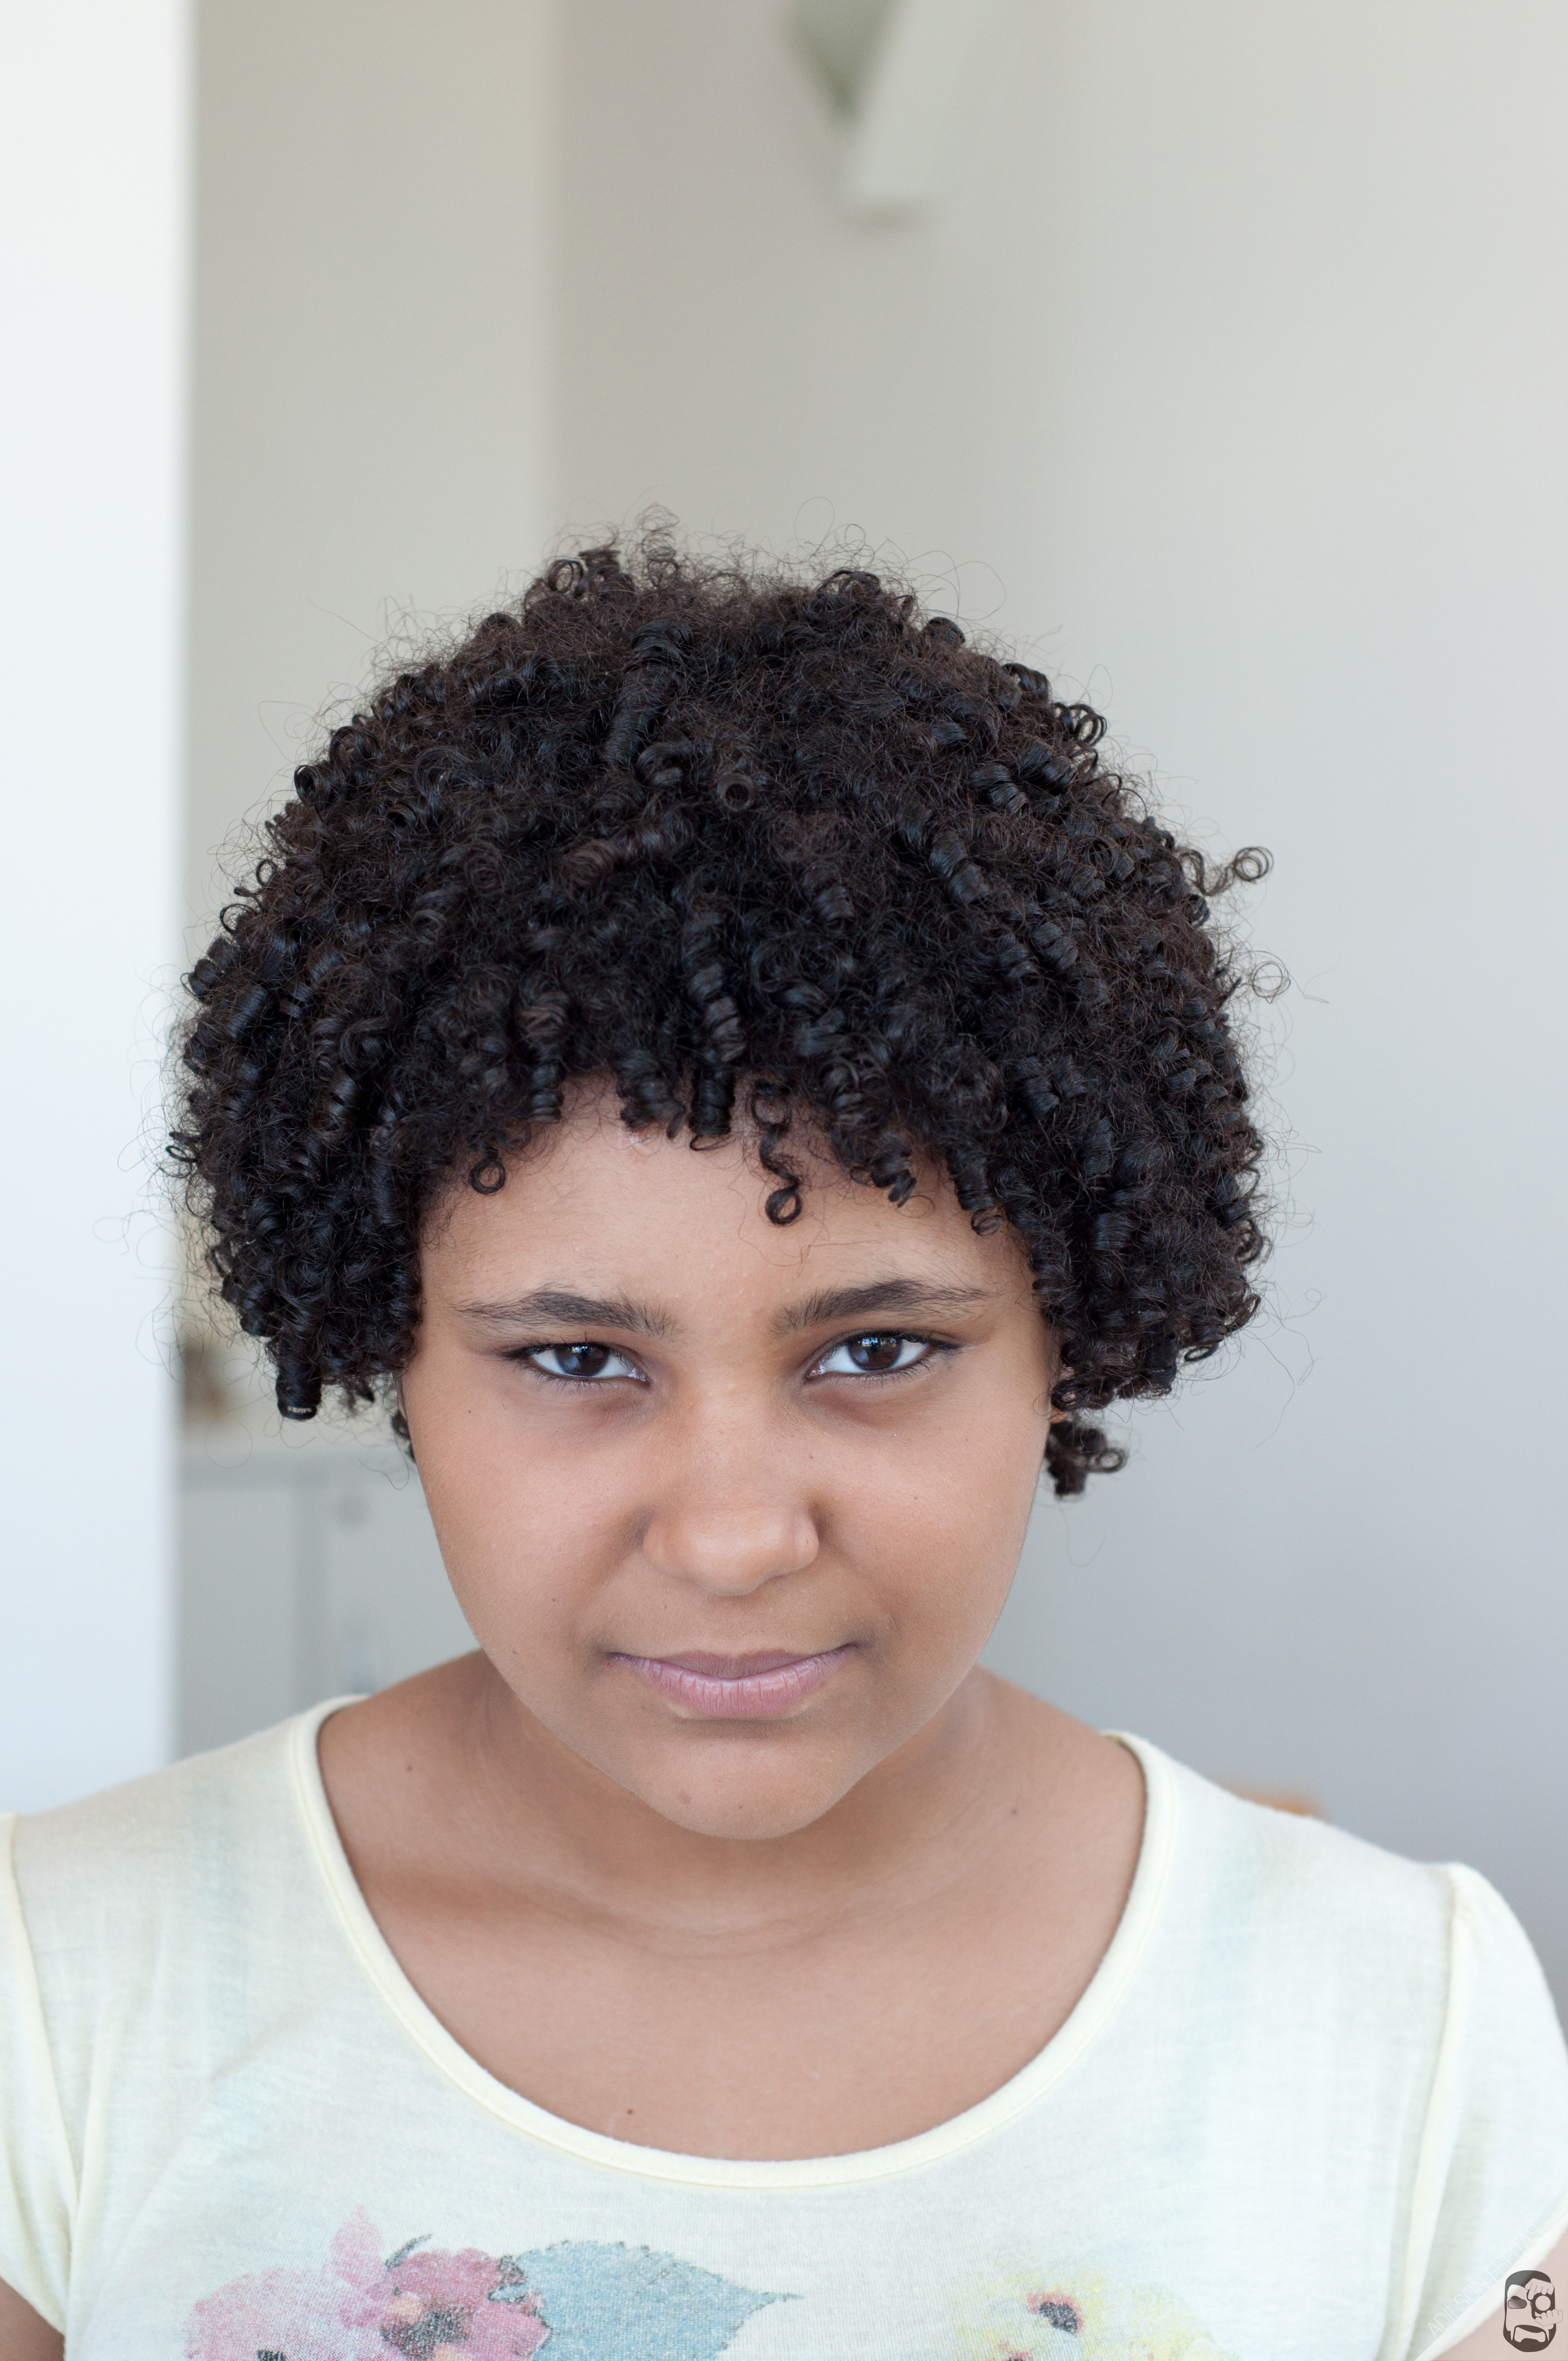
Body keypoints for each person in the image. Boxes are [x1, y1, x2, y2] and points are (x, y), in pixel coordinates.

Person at [1, 542, 1562, 2361]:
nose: (734, 1537)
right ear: (386, 1347)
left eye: (875, 1351)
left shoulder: (1409, 2025)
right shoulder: (59, 1993)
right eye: (577, 1359)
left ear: (1070, 1337)